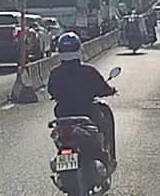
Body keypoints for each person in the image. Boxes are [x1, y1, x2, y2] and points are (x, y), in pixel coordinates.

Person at [47, 32, 117, 165]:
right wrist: (111, 91)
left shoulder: (55, 73)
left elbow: (51, 91)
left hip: (63, 113)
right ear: (79, 49)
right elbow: (102, 88)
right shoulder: (88, 71)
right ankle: (107, 157)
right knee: (103, 124)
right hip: (87, 111)